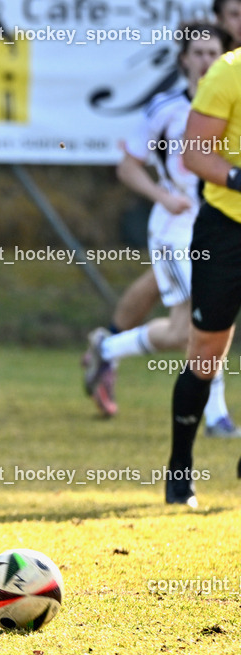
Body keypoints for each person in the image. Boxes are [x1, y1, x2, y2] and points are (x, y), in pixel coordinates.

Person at [82, 24, 237, 437]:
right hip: (176, 229)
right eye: (198, 52)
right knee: (204, 327)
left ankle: (108, 348)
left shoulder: (232, 101)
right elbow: (128, 165)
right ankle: (217, 417)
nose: (206, 60)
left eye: (213, 52)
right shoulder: (165, 109)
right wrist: (162, 196)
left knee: (181, 330)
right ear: (184, 58)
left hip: (219, 226)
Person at [168, 26, 241, 507]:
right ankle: (180, 470)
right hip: (227, 228)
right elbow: (195, 154)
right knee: (206, 354)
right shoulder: (229, 72)